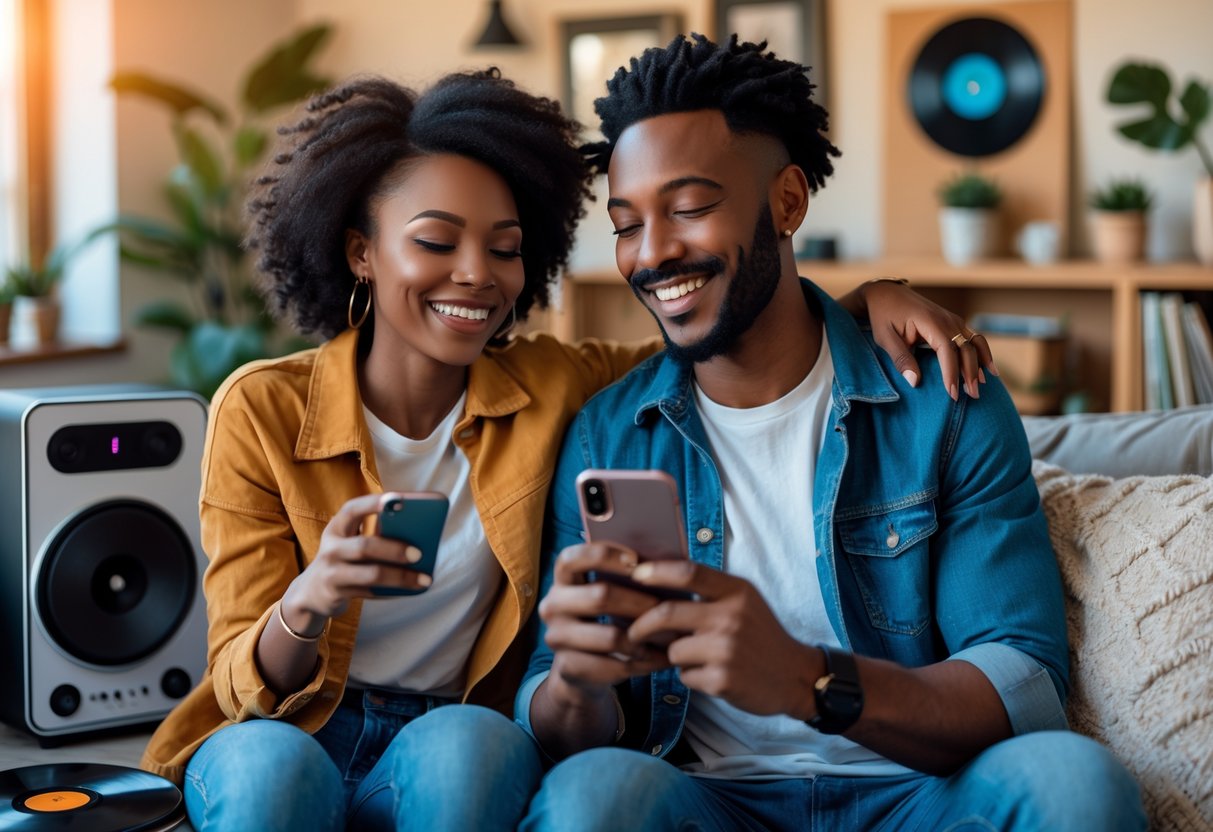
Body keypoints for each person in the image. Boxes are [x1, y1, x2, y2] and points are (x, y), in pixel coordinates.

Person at [139, 69, 994, 831]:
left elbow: (720, 331)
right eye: (435, 242)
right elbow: (242, 679)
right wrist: (311, 598)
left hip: (448, 732)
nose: (476, 273)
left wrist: (867, 301)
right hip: (286, 725)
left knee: (470, 747)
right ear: (361, 250)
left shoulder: (554, 386)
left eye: (504, 249)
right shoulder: (263, 407)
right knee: (271, 768)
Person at [518, 34, 1146, 832]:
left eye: (689, 208)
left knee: (1072, 784)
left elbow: (1020, 682)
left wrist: (809, 681)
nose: (653, 253)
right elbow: (560, 724)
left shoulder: (943, 401)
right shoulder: (607, 434)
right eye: (625, 224)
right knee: (588, 795)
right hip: (709, 801)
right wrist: (577, 685)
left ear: (787, 202)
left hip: (918, 796)